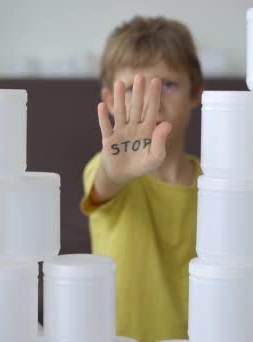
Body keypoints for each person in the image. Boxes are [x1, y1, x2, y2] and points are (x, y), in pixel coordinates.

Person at [80, 16, 204, 342]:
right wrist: (114, 169)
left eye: (168, 84)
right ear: (109, 102)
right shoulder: (106, 169)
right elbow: (103, 186)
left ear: (196, 93)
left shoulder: (216, 183)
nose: (152, 99)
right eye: (134, 88)